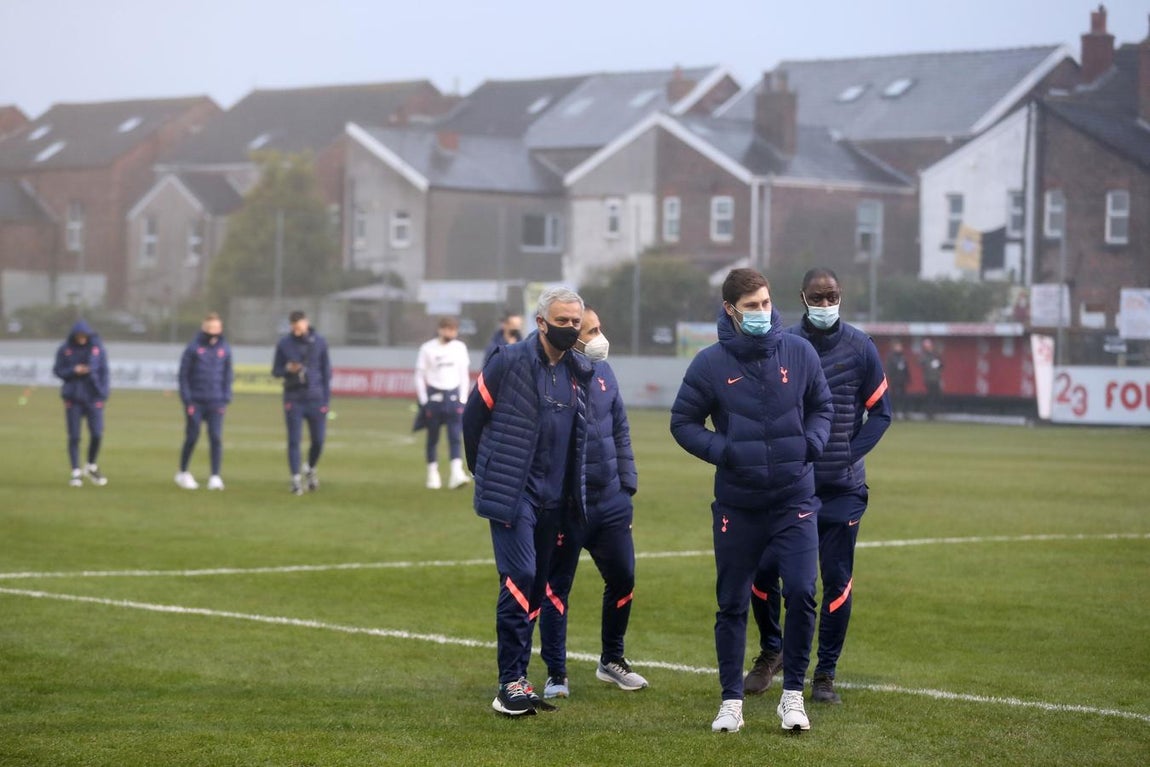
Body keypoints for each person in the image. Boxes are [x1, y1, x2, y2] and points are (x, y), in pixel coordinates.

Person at [670, 267, 832, 734]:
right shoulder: (709, 363)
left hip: (795, 498)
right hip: (738, 505)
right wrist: (725, 451)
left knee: (801, 591)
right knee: (732, 603)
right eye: (751, 306)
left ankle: (793, 696)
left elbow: (822, 406)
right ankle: (731, 701)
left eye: (765, 303)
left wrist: (811, 444)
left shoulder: (799, 352)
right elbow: (682, 422)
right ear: (730, 310)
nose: (762, 311)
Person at [743, 267, 893, 707]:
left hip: (842, 489)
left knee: (837, 580)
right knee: (762, 570)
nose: (826, 304)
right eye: (817, 297)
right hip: (790, 485)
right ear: (802, 298)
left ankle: (825, 673)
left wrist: (846, 454)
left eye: (832, 296)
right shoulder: (785, 345)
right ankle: (772, 650)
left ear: (840, 295)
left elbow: (881, 412)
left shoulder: (861, 347)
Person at [462, 287, 593, 717]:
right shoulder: (508, 360)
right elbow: (473, 416)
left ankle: (519, 678)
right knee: (520, 575)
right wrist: (486, 470)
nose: (570, 328)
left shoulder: (578, 370)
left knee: (536, 585)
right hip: (514, 493)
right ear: (541, 322)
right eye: (562, 321)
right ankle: (508, 684)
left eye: (575, 322)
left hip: (556, 499)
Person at [539, 307, 646, 699]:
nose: (600, 337)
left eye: (600, 327)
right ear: (572, 338)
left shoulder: (605, 372)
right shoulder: (550, 377)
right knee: (556, 589)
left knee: (623, 578)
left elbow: (620, 428)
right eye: (591, 330)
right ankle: (556, 673)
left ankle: (612, 660)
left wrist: (626, 484)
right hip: (567, 507)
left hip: (610, 501)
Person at [272, 310, 332, 495]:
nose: (297, 329)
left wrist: (326, 401)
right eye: (294, 326)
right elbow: (276, 371)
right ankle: (295, 479)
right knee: (294, 440)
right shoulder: (284, 343)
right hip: (294, 398)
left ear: (306, 323)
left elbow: (326, 372)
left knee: (318, 440)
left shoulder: (319, 342)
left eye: (299, 325)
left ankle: (310, 468)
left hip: (316, 398)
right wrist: (288, 369)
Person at [175, 312, 233, 491]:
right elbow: (183, 376)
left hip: (216, 401)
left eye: (217, 327)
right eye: (210, 328)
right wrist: (187, 400)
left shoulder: (225, 349)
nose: (214, 331)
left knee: (215, 437)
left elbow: (228, 375)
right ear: (204, 328)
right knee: (192, 436)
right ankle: (183, 472)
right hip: (196, 402)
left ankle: (215, 476)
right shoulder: (193, 348)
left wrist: (225, 397)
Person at [415, 316, 471, 490]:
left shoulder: (460, 348)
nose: (450, 333)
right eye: (447, 329)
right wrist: (424, 401)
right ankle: (433, 474)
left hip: (453, 399)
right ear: (440, 329)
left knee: (455, 437)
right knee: (433, 438)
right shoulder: (427, 348)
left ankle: (456, 473)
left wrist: (463, 399)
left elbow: (464, 375)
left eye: (453, 330)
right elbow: (419, 375)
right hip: (434, 399)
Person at [53, 319, 110, 487]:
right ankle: (76, 472)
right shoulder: (65, 349)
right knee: (74, 436)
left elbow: (104, 371)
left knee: (97, 434)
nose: (81, 338)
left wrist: (103, 392)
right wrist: (74, 370)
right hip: (73, 398)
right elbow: (58, 370)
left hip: (94, 397)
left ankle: (91, 465)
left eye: (84, 335)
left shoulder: (98, 349)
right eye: (79, 335)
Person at [885, 341, 910, 420]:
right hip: (895, 380)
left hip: (902, 380)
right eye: (898, 347)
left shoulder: (903, 357)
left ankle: (903, 412)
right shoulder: (891, 357)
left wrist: (907, 378)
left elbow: (906, 369)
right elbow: (889, 368)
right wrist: (891, 377)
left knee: (903, 397)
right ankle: (894, 412)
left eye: (900, 347)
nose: (899, 348)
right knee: (894, 396)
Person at [919, 338, 943, 420]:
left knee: (936, 396)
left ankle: (934, 412)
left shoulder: (935, 355)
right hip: (929, 379)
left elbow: (941, 365)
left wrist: (938, 363)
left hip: (936, 378)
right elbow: (921, 363)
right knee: (930, 397)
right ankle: (929, 413)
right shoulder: (924, 356)